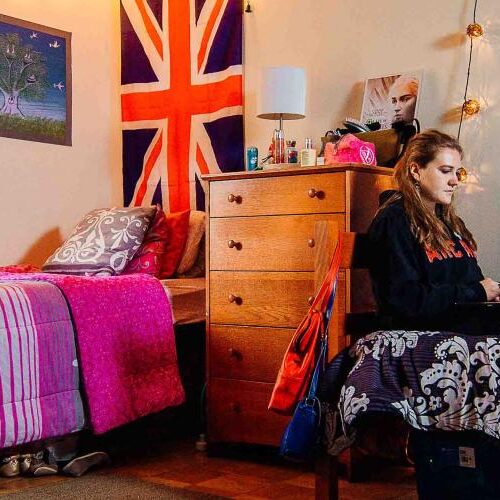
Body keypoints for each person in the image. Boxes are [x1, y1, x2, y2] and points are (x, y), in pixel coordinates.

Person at [368, 129, 500, 331]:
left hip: (468, 325)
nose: (455, 180)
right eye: (445, 171)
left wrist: (491, 294)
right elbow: (404, 300)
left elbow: (473, 283)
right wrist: (476, 292)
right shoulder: (394, 221)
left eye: (457, 172)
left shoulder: (451, 223)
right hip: (422, 334)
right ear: (415, 171)